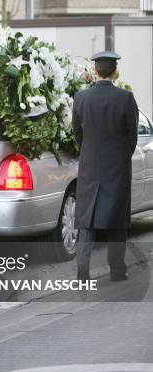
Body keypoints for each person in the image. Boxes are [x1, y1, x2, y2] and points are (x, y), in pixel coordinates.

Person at [73, 51, 139, 282]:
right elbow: (132, 135)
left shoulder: (80, 98)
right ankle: (117, 270)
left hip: (90, 166)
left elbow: (77, 134)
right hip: (117, 167)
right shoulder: (125, 97)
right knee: (117, 219)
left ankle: (82, 271)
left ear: (94, 71)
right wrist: (122, 155)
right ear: (115, 71)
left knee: (86, 218)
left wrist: (89, 153)